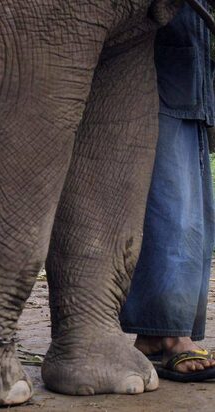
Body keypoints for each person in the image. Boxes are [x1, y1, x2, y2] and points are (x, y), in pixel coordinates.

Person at [120, 1, 215, 382]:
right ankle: (172, 334)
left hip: (189, 81)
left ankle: (152, 334)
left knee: (193, 215)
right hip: (163, 82)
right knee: (175, 215)